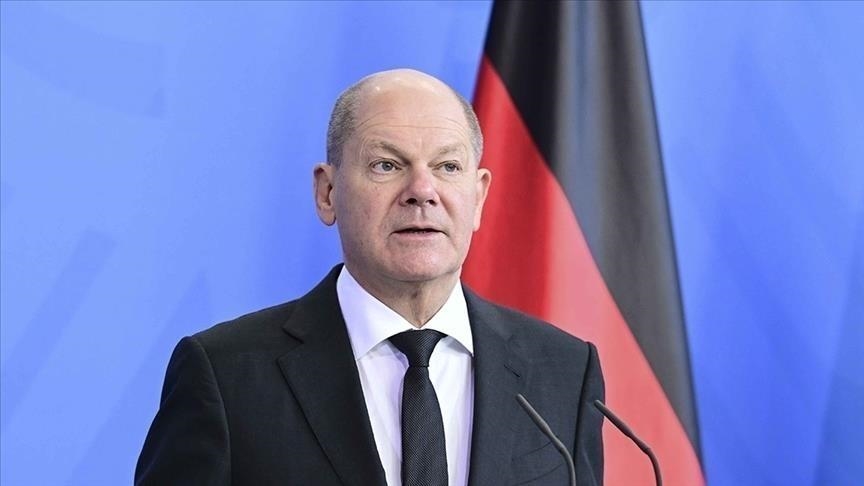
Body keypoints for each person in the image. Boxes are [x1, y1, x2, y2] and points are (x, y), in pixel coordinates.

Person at [135, 69, 604, 486]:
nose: (422, 191)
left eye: (447, 167)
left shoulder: (563, 371)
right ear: (327, 192)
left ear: (478, 197)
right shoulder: (226, 374)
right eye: (387, 165)